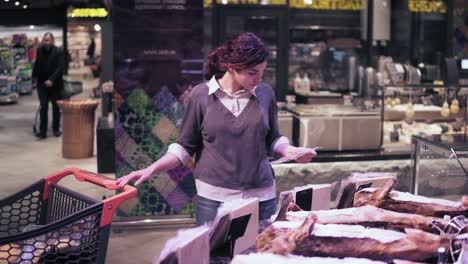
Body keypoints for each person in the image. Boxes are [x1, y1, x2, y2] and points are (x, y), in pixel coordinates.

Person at [117, 32, 317, 225]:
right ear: (231, 67)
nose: (259, 79)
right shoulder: (200, 96)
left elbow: (273, 137)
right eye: (252, 73)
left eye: (263, 71)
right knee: (212, 256)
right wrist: (152, 168)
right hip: (214, 198)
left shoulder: (265, 93)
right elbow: (184, 147)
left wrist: (290, 151)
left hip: (261, 194)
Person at [32, 32, 65, 139]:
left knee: (56, 107)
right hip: (42, 83)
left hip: (55, 84)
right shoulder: (39, 50)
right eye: (44, 40)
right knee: (44, 106)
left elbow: (60, 68)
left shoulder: (58, 51)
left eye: (48, 40)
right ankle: (43, 131)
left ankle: (56, 128)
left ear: (52, 41)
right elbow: (37, 63)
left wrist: (51, 80)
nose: (46, 42)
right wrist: (33, 76)